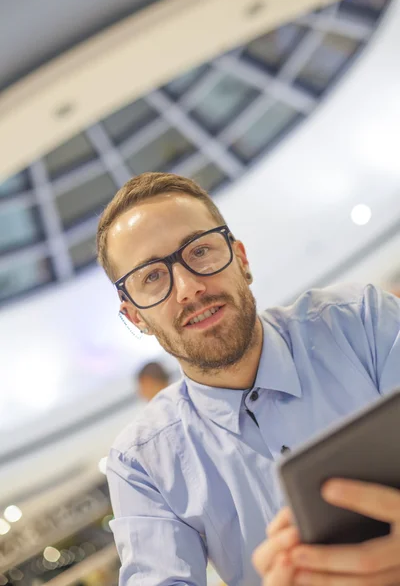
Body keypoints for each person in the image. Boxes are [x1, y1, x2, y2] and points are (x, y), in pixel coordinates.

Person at [97, 172, 400, 586]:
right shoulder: (142, 464)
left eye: (199, 250)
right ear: (135, 315)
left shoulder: (362, 322)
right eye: (151, 277)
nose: (187, 287)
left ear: (240, 257)